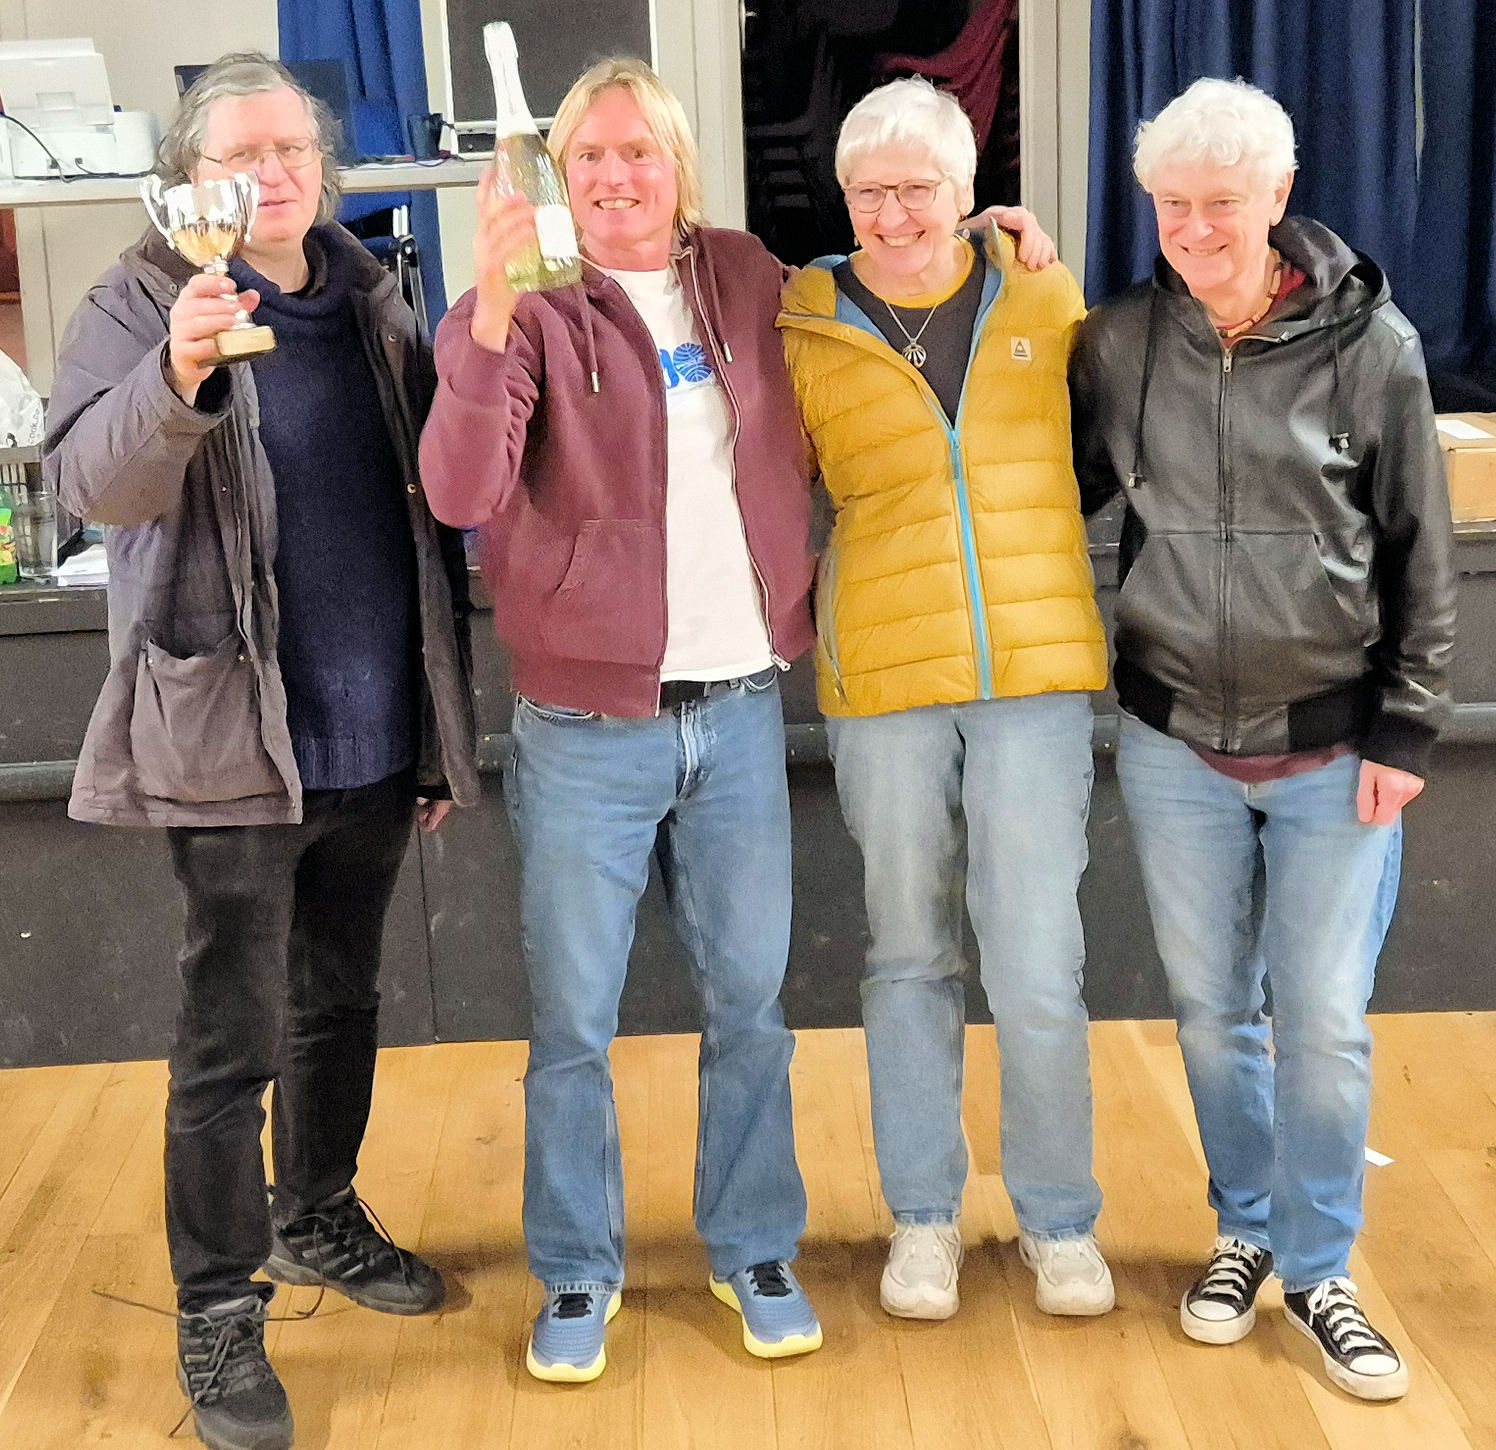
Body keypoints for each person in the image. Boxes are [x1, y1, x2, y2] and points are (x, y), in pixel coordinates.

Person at [419, 57, 1051, 1382]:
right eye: (589, 158)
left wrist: (986, 234)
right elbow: (461, 486)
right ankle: (579, 1273)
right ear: (558, 174)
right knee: (574, 1025)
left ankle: (755, 1243)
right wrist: (480, 316)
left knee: (750, 1008)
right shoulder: (516, 304)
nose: (614, 179)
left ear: (678, 168)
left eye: (639, 154)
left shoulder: (751, 277)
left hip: (742, 714)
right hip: (584, 727)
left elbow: (878, 277)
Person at [44, 53, 478, 1450]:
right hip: (231, 730)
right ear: (190, 175)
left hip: (368, 727)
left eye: (292, 150)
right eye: (239, 155)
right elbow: (89, 480)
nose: (271, 176)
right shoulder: (135, 296)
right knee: (228, 1040)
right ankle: (218, 1311)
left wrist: (431, 732)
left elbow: (418, 519)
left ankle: (320, 1218)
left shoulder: (368, 297)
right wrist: (179, 365)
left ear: (324, 166)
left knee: (338, 1002)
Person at [1069, 77, 1455, 1401]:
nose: (1192, 229)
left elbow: (1423, 552)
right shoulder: (1115, 344)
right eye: (1170, 205)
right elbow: (1049, 499)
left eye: (1218, 203)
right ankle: (1242, 1227)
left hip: (1336, 747)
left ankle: (1322, 1262)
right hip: (1174, 738)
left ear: (1278, 198)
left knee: (1327, 1022)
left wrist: (1410, 722)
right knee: (1213, 1009)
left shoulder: (1378, 348)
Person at [777, 77, 1114, 1324]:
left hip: (1031, 675)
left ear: (969, 195)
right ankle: (921, 1216)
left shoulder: (1047, 295)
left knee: (1035, 961)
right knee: (907, 952)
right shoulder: (801, 320)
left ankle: (1058, 1220)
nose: (892, 211)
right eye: (868, 191)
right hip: (882, 680)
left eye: (918, 187)